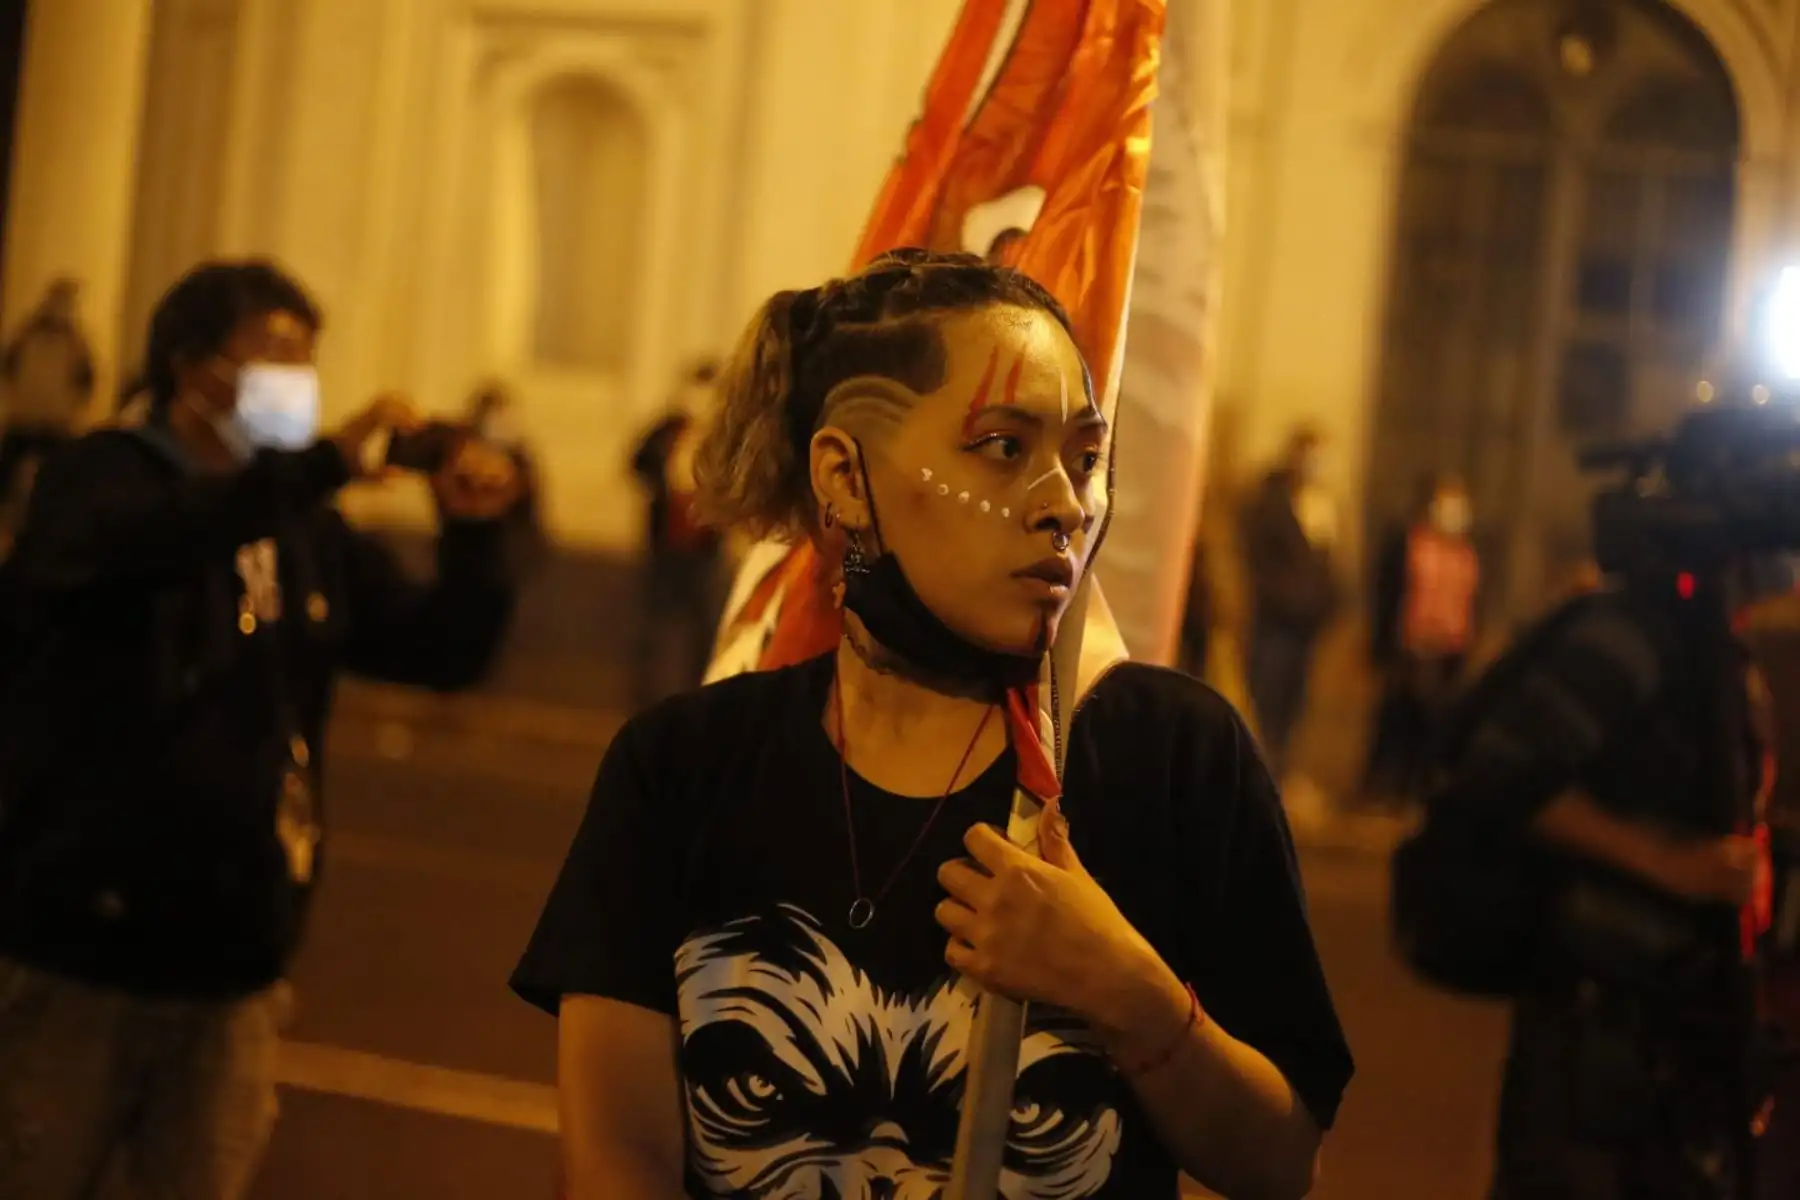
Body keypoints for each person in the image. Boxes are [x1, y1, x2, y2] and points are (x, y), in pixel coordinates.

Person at [513, 250, 1352, 1199]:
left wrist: (1131, 993)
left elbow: (1281, 1164)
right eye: (1003, 448)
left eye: (1082, 459)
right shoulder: (679, 770)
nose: (1065, 506)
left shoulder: (1175, 759)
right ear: (844, 476)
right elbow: (615, 1161)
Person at [0, 260, 520, 1200]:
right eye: (275, 356)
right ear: (192, 367)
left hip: (232, 969)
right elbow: (150, 539)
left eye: (308, 361)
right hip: (80, 954)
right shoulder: (99, 480)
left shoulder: (300, 528)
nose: (298, 383)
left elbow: (440, 651)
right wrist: (319, 464)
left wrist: (475, 536)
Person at [1361, 472, 1480, 808]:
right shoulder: (1408, 543)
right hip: (1409, 646)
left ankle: (1414, 790)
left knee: (1431, 724)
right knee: (1395, 717)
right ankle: (1379, 788)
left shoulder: (1465, 553)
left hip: (1448, 650)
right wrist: (1383, 645)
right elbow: (1387, 595)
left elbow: (1470, 602)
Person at [1239, 425, 1341, 781]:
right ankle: (1256, 766)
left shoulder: (1322, 504)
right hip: (1276, 618)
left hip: (1307, 620)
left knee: (1294, 699)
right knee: (1266, 689)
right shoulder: (1271, 499)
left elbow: (1327, 561)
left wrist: (1328, 602)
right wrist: (1280, 593)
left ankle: (1280, 768)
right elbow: (1258, 555)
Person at [628, 361, 725, 705]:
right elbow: (637, 462)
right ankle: (648, 694)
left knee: (704, 624)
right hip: (666, 541)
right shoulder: (667, 428)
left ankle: (696, 695)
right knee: (658, 621)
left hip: (704, 544)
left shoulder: (722, 434)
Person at [0, 277, 97, 546]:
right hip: (26, 419)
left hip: (56, 423)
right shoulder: (26, 335)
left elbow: (86, 381)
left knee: (63, 483)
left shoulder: (76, 344)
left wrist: (66, 407)